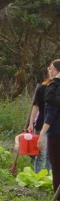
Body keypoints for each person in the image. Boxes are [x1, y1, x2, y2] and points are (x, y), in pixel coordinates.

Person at [29, 63, 58, 173]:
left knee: (51, 155)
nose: (51, 71)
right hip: (41, 124)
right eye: (49, 69)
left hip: (54, 126)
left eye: (53, 69)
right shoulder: (41, 88)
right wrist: (31, 123)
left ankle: (49, 177)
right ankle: (38, 177)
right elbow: (35, 106)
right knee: (41, 154)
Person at [38, 59, 60, 193]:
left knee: (57, 168)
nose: (49, 70)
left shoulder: (53, 88)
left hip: (56, 133)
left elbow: (51, 113)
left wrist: (41, 135)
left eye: (51, 68)